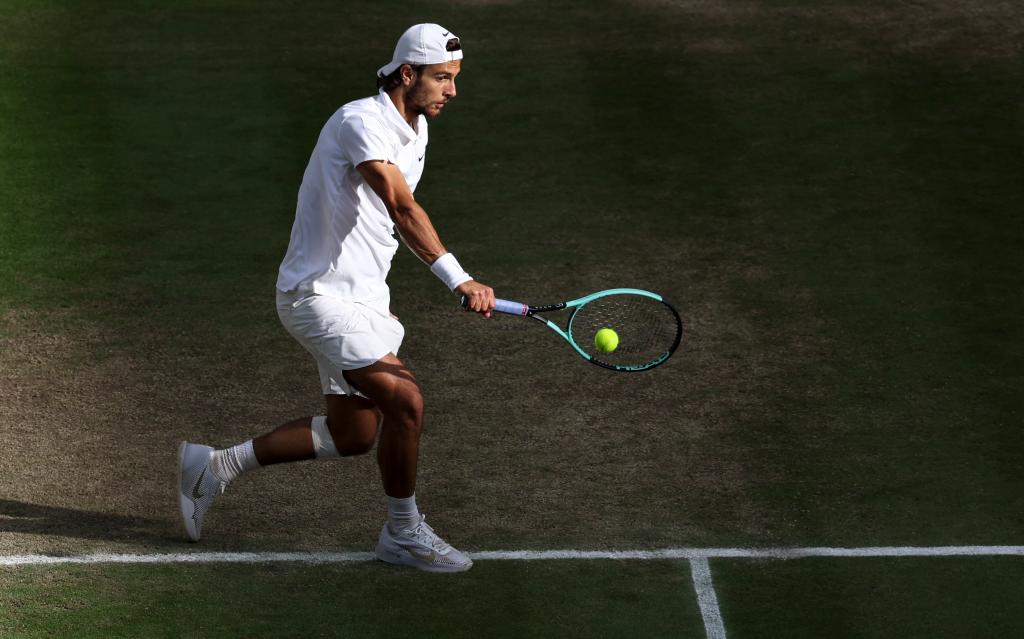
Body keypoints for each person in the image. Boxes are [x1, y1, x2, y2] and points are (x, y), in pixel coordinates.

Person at [177, 23, 496, 573]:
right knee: (406, 404)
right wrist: (458, 278)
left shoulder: (415, 129)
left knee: (353, 434)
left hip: (362, 300)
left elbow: (375, 225)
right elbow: (399, 207)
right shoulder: (360, 122)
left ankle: (215, 466)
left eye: (454, 78)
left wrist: (374, 297)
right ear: (407, 74)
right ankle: (402, 533)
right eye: (443, 78)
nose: (453, 90)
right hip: (317, 297)